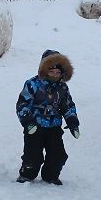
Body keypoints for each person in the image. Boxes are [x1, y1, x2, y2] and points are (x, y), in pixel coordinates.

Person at [15, 49, 79, 185]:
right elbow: (22, 104)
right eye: (51, 72)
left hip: (54, 128)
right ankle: (27, 174)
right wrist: (28, 121)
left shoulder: (62, 88)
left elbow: (67, 105)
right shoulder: (32, 84)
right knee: (33, 157)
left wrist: (72, 120)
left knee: (58, 156)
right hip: (34, 127)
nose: (55, 75)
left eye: (58, 73)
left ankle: (50, 175)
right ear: (44, 70)